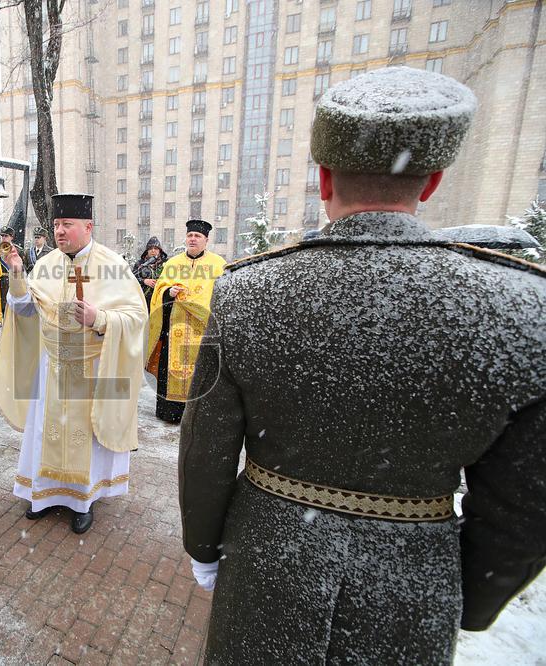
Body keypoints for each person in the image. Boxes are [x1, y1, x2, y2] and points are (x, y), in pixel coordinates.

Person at [179, 67, 546, 664]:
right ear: (431, 183)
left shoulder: (248, 291)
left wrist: (203, 544)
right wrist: (472, 598)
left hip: (269, 561)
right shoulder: (524, 305)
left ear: (324, 178)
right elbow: (526, 503)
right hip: (410, 585)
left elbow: (205, 448)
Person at [0, 193, 148, 534]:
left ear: (88, 226)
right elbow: (25, 310)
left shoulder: (112, 265)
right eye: (57, 225)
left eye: (67, 225)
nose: (60, 231)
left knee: (83, 437)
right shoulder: (46, 265)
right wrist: (17, 274)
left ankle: (82, 502)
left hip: (92, 368)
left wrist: (100, 317)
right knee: (47, 432)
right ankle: (43, 496)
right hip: (52, 369)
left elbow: (137, 318)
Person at [145, 221, 224, 424]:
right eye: (190, 235)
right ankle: (171, 413)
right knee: (171, 369)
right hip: (174, 330)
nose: (193, 239)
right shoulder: (173, 264)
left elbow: (223, 295)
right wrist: (167, 293)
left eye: (198, 236)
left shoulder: (218, 264)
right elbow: (159, 292)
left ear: (206, 240)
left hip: (203, 331)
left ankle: (197, 416)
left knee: (202, 372)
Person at [132, 236, 168, 308]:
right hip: (144, 301)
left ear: (160, 250)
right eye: (150, 248)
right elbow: (132, 279)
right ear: (147, 251)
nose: (153, 250)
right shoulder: (140, 264)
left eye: (156, 248)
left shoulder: (167, 263)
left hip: (161, 301)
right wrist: (144, 281)